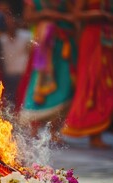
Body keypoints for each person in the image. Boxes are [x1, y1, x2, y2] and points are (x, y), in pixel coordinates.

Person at [61, 0, 113, 148]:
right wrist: (98, 14)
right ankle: (94, 135)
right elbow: (76, 14)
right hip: (93, 38)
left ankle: (104, 130)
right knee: (94, 84)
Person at [18, 0, 77, 143]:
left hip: (64, 45)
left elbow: (75, 16)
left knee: (64, 85)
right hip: (45, 45)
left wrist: (59, 17)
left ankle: (54, 131)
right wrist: (45, 14)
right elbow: (27, 18)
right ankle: (33, 129)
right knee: (39, 84)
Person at [0, 0, 32, 105]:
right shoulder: (1, 39)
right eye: (6, 21)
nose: (10, 23)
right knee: (11, 104)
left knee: (24, 102)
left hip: (24, 77)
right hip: (9, 77)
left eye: (11, 20)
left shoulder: (26, 36)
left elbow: (32, 54)